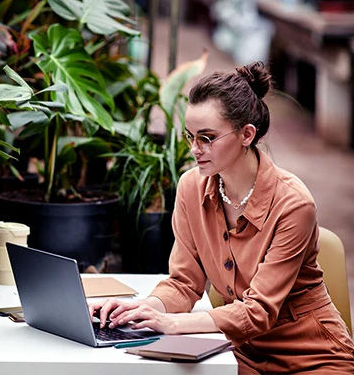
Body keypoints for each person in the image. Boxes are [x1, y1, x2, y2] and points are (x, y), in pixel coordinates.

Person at [90, 62, 354, 373]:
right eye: (190, 137)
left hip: (312, 357)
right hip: (238, 353)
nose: (194, 150)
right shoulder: (191, 187)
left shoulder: (293, 205)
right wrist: (140, 309)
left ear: (246, 134)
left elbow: (258, 313)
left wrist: (172, 324)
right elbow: (184, 283)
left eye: (207, 138)